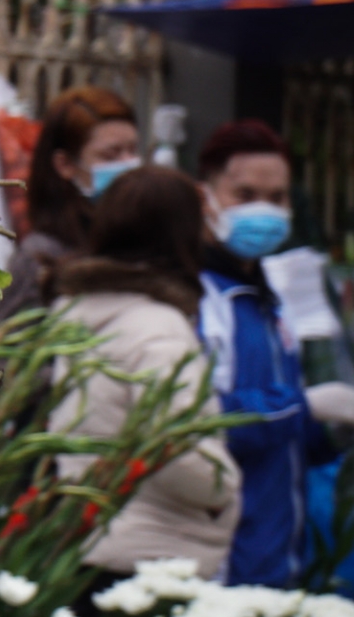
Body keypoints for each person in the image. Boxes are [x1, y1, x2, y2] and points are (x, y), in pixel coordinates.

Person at [44, 165, 241, 581]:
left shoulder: (78, 314)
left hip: (88, 541)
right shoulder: (158, 327)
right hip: (153, 556)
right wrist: (224, 488)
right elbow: (171, 449)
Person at [195, 119, 350, 587]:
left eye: (277, 198)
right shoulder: (198, 299)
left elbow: (282, 437)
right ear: (207, 198)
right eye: (244, 195)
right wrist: (306, 405)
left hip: (278, 558)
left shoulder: (269, 301)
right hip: (221, 565)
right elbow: (201, 423)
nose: (263, 211)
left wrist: (331, 433)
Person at [0, 86, 140, 328]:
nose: (128, 166)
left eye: (132, 151)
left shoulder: (136, 242)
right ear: (65, 164)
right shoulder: (41, 257)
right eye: (110, 155)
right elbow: (10, 354)